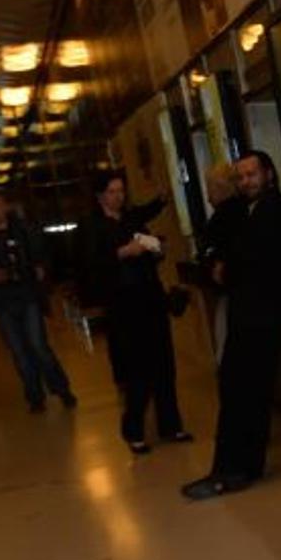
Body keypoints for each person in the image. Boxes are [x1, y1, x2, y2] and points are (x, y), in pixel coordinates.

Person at [182, 151, 281, 500]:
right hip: (249, 314)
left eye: (252, 174)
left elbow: (258, 260)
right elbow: (227, 250)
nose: (246, 181)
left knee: (243, 394)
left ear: (268, 173)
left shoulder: (278, 209)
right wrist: (225, 264)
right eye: (241, 176)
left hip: (263, 317)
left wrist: (228, 266)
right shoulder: (246, 210)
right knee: (241, 392)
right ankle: (239, 468)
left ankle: (231, 471)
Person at [78, 171, 192, 455]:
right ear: (100, 195)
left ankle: (171, 425)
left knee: (164, 365)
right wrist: (123, 253)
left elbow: (151, 245)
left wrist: (157, 248)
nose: (119, 196)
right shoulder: (92, 226)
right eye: (113, 191)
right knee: (137, 370)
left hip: (151, 298)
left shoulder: (131, 219)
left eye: (121, 191)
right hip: (122, 306)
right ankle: (134, 431)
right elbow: (90, 266)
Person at [0, 191, 76, 413]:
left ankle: (62, 389)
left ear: (5, 206)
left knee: (38, 346)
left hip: (28, 295)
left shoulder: (25, 230)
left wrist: (41, 268)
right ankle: (35, 397)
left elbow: (45, 254)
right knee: (19, 352)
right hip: (1, 301)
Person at [199, 163, 241, 364]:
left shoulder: (222, 217)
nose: (208, 197)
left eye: (210, 189)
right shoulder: (245, 209)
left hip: (231, 292)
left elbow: (209, 250)